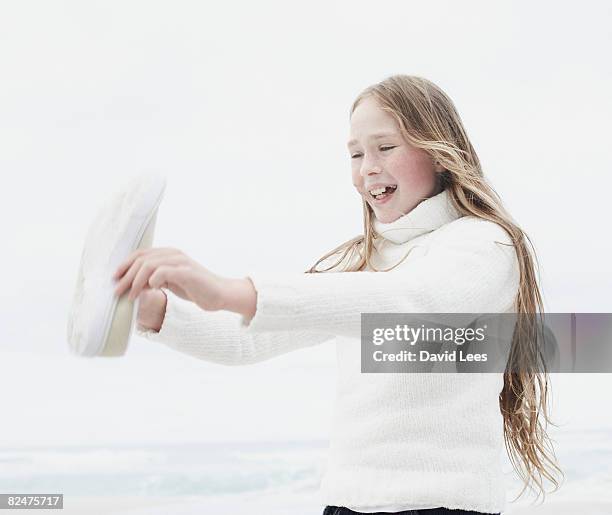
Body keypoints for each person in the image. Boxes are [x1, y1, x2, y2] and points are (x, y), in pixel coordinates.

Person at [112, 75, 563, 514]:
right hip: (348, 503)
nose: (368, 167)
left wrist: (231, 291)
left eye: (386, 147)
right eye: (355, 153)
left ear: (440, 153)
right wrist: (156, 311)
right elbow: (246, 340)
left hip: (445, 504)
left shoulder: (485, 245)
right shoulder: (359, 263)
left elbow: (414, 304)